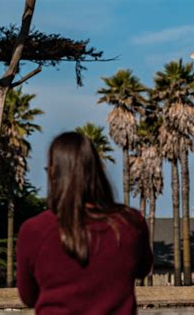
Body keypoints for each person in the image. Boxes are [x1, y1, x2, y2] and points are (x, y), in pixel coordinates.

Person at [16, 132, 153, 315]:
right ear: (97, 171)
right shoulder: (130, 222)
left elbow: (28, 296)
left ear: (54, 174)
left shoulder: (35, 230)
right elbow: (142, 269)